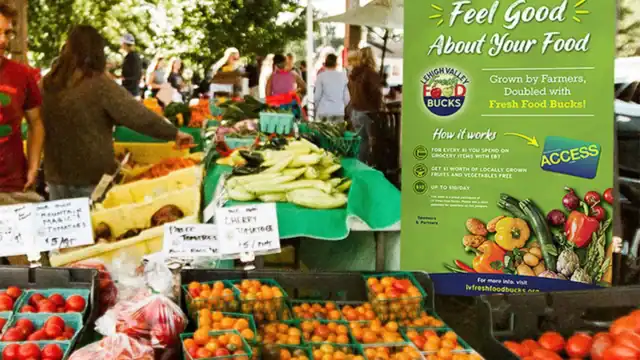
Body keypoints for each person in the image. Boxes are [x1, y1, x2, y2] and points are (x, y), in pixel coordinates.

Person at [40, 25, 193, 200]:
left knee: (60, 226)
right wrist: (173, 133)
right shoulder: (98, 84)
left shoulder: (47, 83)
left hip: (55, 175)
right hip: (90, 177)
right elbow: (137, 115)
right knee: (91, 225)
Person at [0, 3, 45, 205]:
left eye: (7, 33)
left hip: (13, 188)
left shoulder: (22, 75)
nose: (3, 40)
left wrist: (33, 166)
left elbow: (36, 122)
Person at [348, 47, 382, 164]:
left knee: (360, 142)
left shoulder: (353, 73)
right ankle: (363, 168)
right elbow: (376, 92)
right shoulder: (371, 73)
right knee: (369, 143)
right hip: (368, 112)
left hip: (355, 111)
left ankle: (358, 166)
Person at [314, 54, 349, 122]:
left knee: (322, 132)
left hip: (324, 111)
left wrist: (317, 108)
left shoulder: (321, 76)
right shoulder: (343, 76)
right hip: (339, 112)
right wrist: (341, 107)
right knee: (336, 132)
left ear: (325, 64)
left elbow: (317, 97)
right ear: (336, 64)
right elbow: (347, 98)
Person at [120, 33, 142, 98]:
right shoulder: (129, 56)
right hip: (129, 90)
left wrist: (124, 79)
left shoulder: (133, 57)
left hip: (131, 91)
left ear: (124, 44)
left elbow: (136, 75)